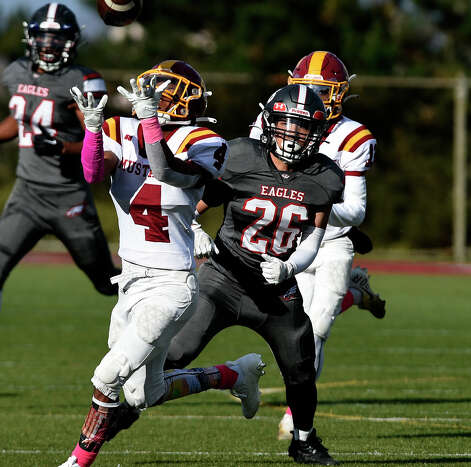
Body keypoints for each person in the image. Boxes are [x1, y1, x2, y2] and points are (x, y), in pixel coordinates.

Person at [58, 60, 266, 467]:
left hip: (172, 284)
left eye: (162, 95)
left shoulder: (206, 140)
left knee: (107, 375)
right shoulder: (124, 128)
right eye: (151, 93)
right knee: (142, 394)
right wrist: (94, 129)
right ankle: (234, 374)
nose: (151, 100)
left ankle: (77, 462)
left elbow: (166, 170)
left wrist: (151, 122)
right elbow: (91, 170)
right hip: (131, 280)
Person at [0, 3, 119, 400]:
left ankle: (150, 337)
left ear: (71, 42)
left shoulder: (83, 81)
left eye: (57, 38)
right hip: (26, 193)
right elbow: (21, 118)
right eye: (43, 37)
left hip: (69, 197)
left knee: (108, 283)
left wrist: (64, 147)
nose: (49, 45)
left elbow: (102, 144)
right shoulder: (15, 72)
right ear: (31, 38)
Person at [163, 84, 344, 465]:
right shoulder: (240, 155)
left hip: (277, 288)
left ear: (318, 132)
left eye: (302, 127)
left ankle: (304, 440)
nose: (292, 135)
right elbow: (193, 207)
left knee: (301, 368)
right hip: (224, 277)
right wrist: (193, 228)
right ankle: (128, 401)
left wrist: (291, 266)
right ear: (269, 122)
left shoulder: (324, 176)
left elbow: (314, 234)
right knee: (175, 352)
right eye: (285, 124)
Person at [249, 51, 386, 439]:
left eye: (321, 91)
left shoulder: (352, 135)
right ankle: (356, 295)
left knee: (316, 330)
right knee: (296, 326)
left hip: (332, 241)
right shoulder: (270, 119)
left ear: (339, 94)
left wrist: (304, 199)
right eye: (305, 87)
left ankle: (297, 415)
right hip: (286, 237)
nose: (311, 96)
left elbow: (355, 210)